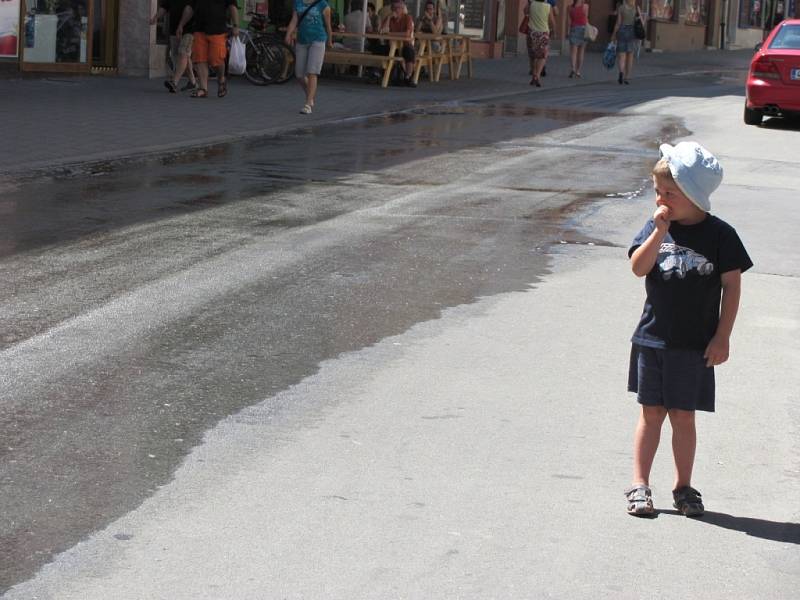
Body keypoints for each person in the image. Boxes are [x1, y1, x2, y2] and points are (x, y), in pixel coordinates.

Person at [625, 142, 752, 518]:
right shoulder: (657, 226)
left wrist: (722, 336)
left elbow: (732, 286)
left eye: (670, 193)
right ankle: (639, 485)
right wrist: (658, 232)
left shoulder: (721, 236)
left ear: (694, 195)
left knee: (683, 415)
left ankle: (683, 487)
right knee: (651, 412)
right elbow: (638, 267)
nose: (661, 199)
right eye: (658, 191)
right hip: (652, 339)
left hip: (694, 345)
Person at [176, 0, 239, 98]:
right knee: (200, 59)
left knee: (216, 59)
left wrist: (235, 26)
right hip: (199, 30)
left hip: (218, 30)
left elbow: (232, 7)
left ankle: (221, 79)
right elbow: (190, 8)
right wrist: (181, 24)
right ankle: (203, 88)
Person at [285, 0, 334, 114]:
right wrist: (288, 34)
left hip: (318, 40)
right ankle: (310, 96)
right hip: (302, 41)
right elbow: (294, 20)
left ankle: (308, 104)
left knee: (312, 72)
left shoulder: (323, 4)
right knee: (299, 74)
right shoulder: (298, 2)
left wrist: (330, 41)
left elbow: (328, 25)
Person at [151, 0, 198, 93]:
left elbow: (190, 10)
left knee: (183, 53)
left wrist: (181, 25)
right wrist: (156, 17)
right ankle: (193, 82)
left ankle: (174, 82)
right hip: (174, 30)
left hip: (189, 30)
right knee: (181, 57)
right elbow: (164, 7)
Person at [380, 0, 416, 87]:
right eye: (394, 8)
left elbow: (407, 34)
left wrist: (390, 34)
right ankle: (381, 75)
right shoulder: (389, 18)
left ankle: (408, 77)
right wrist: (388, 18)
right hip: (391, 46)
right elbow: (383, 31)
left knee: (409, 51)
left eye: (399, 8)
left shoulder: (407, 18)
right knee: (377, 49)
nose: (396, 10)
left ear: (403, 9)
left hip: (405, 45)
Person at [611, 0, 644, 84]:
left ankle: (621, 72)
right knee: (630, 56)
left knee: (622, 55)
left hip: (622, 31)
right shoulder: (636, 8)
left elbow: (618, 23)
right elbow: (641, 23)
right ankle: (626, 77)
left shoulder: (621, 8)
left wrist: (614, 34)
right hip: (632, 32)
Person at [527, 0, 555, 87]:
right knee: (542, 56)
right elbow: (552, 21)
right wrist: (554, 31)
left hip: (532, 32)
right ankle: (537, 76)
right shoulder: (548, 6)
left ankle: (533, 75)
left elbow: (525, 11)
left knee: (532, 55)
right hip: (543, 33)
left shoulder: (531, 4)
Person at [567, 0, 589, 78]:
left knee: (573, 52)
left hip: (574, 29)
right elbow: (586, 20)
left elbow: (569, 22)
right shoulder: (585, 6)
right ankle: (578, 71)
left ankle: (572, 68)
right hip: (583, 30)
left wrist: (568, 32)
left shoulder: (569, 7)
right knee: (581, 52)